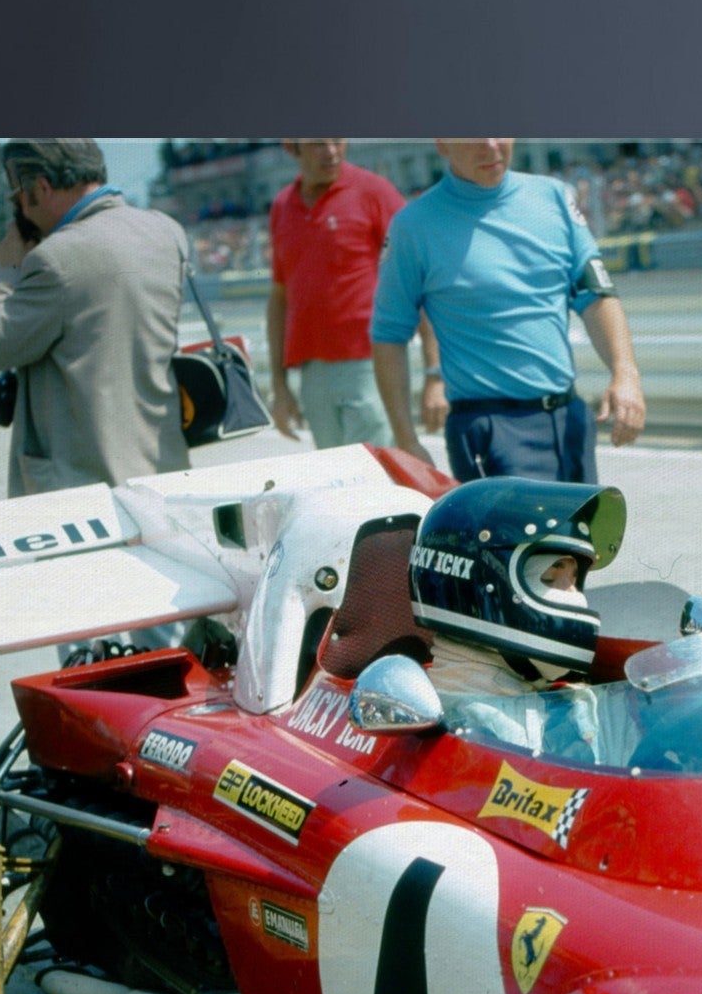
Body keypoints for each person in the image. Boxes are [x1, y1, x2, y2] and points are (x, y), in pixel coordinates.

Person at [369, 138, 646, 481]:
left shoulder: (555, 198)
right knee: (517, 538)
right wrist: (406, 439)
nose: (490, 146)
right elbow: (388, 335)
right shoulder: (413, 227)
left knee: (581, 536)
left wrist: (625, 374)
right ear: (441, 142)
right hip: (490, 431)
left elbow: (596, 294)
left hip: (569, 419)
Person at [0, 139, 190, 495]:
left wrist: (7, 271)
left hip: (80, 483)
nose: (19, 207)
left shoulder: (54, 259)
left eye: (18, 193)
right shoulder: (167, 231)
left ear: (41, 187)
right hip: (161, 465)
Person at [406, 476, 641, 766]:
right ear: (483, 584)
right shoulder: (430, 729)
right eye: (550, 575)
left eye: (575, 580)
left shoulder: (576, 707)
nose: (576, 599)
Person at [267, 139, 444, 451]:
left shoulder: (375, 192)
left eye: (339, 140)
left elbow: (418, 282)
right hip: (312, 372)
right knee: (337, 483)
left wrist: (435, 373)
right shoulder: (282, 206)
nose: (332, 151)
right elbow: (280, 299)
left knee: (375, 479)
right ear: (291, 147)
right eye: (319, 143)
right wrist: (279, 388)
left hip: (372, 364)